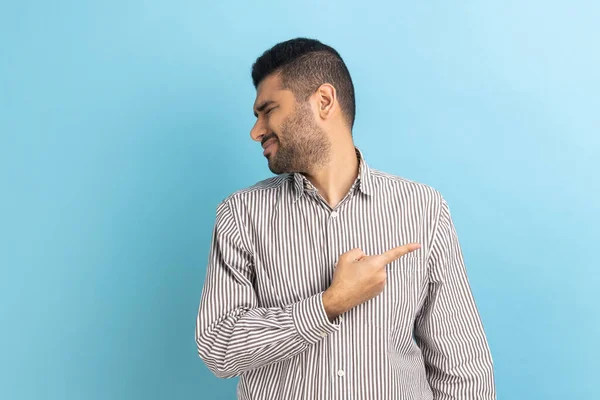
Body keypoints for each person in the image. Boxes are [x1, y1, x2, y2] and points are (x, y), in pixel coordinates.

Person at [195, 37, 496, 400]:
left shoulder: (422, 209)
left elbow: (462, 368)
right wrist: (328, 304)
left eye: (268, 110)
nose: (256, 130)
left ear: (323, 101)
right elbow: (219, 346)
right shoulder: (242, 215)